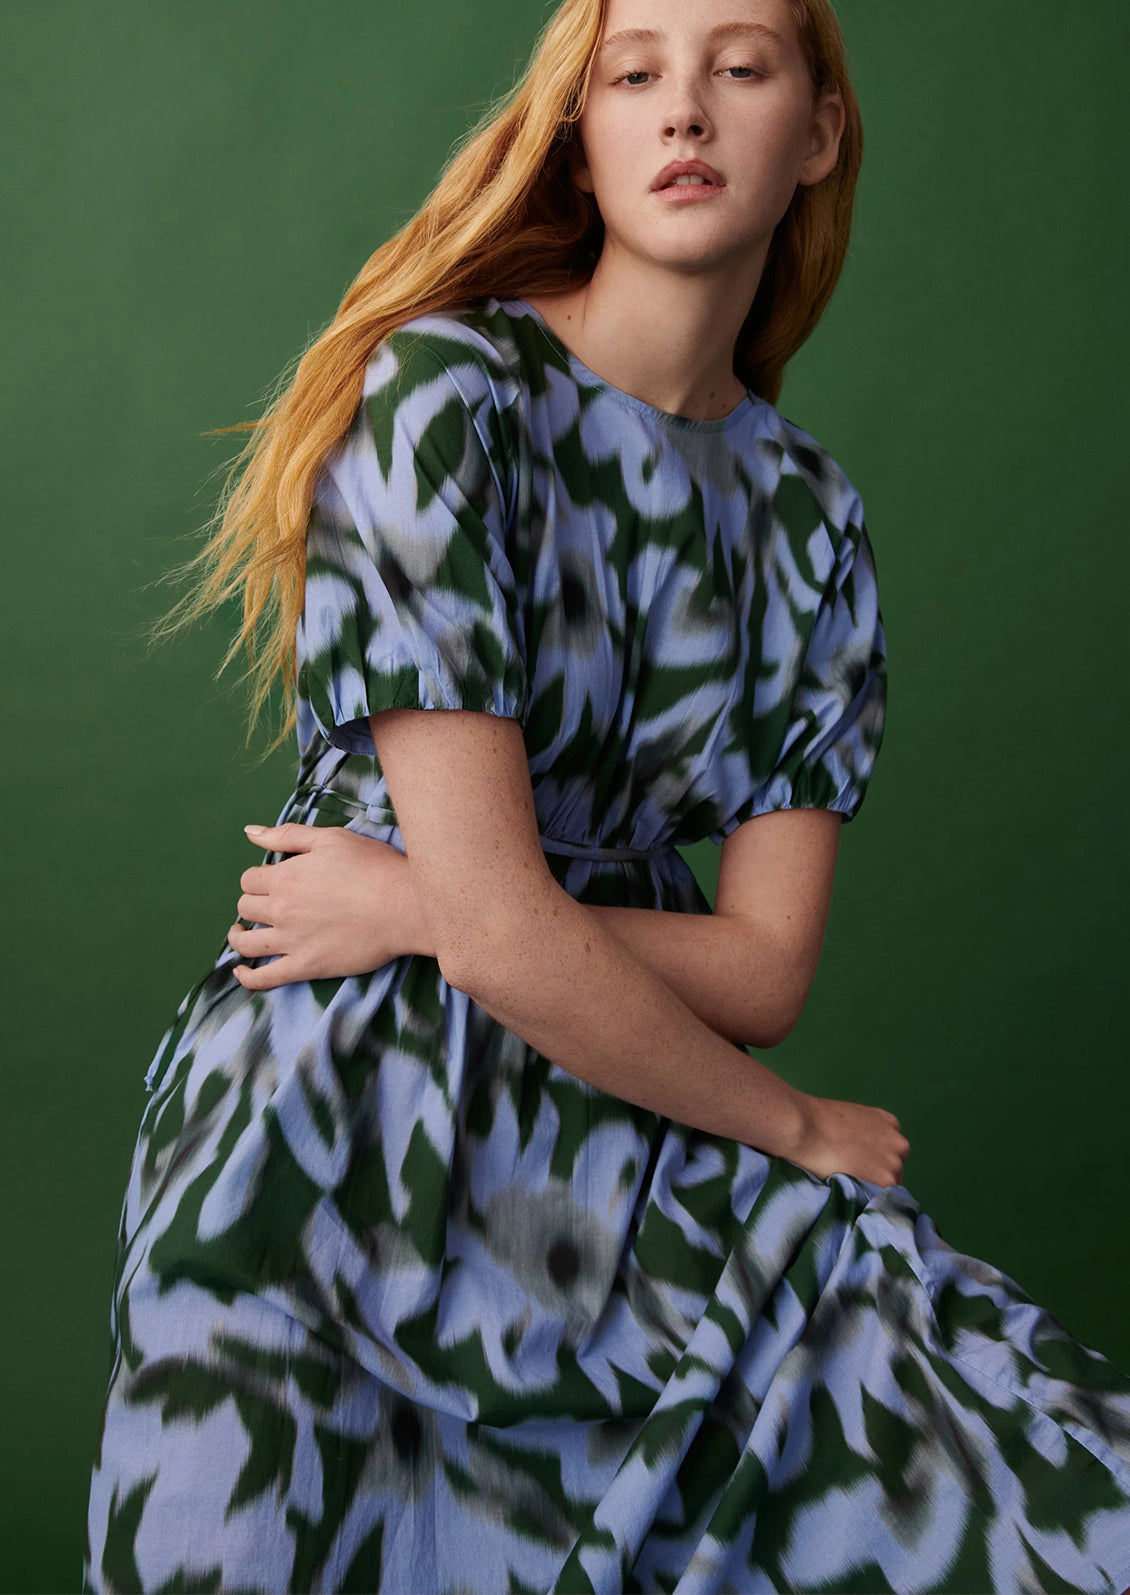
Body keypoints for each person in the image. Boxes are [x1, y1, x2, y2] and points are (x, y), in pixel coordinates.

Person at [82, 0, 1130, 1588]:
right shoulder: (449, 397)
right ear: (577, 125)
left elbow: (763, 971)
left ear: (821, 130)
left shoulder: (808, 516)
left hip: (629, 1123)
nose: (684, 111)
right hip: (342, 1138)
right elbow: (512, 948)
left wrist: (419, 903)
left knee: (1054, 1494)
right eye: (632, 72)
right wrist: (790, 1126)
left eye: (740, 65)